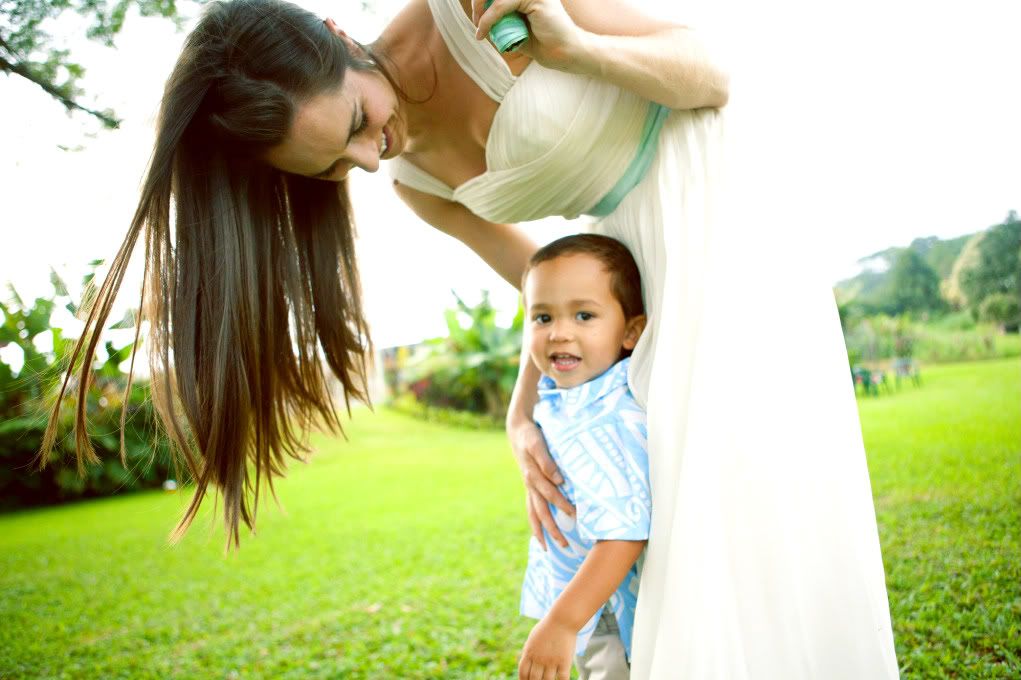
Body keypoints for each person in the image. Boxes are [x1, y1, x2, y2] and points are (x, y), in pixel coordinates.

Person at [43, 0, 901, 676]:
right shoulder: (415, 181)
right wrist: (522, 410)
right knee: (669, 536)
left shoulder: (479, 5)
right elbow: (543, 279)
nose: (370, 164)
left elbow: (713, 74)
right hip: (628, 288)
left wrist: (574, 49)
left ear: (338, 36)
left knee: (741, 506)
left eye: (353, 128)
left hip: (719, 219)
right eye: (338, 168)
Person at [517, 234, 650, 680]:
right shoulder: (571, 395)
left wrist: (564, 621)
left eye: (584, 315)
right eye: (542, 316)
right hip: (584, 602)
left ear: (630, 331)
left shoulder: (610, 416)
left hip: (604, 610)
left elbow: (625, 534)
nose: (559, 332)